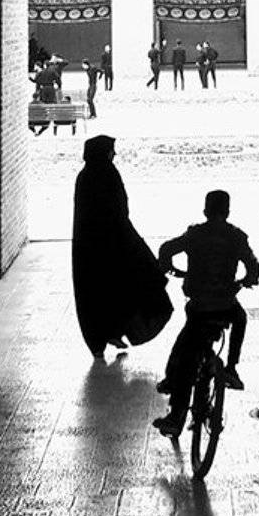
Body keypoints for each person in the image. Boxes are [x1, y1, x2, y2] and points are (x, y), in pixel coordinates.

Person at [153, 189, 259, 437]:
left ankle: (176, 413)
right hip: (225, 304)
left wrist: (168, 268)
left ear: (205, 211)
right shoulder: (236, 236)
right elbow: (253, 265)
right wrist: (247, 280)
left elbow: (166, 249)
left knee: (184, 352)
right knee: (240, 318)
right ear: (228, 212)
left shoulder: (195, 234)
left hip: (200, 306)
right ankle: (231, 367)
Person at [71, 135, 173, 359]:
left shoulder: (85, 176)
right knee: (121, 288)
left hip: (89, 248)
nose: (114, 154)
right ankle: (114, 332)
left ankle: (102, 339)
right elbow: (119, 210)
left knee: (95, 293)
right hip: (114, 243)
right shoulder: (108, 174)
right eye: (111, 150)